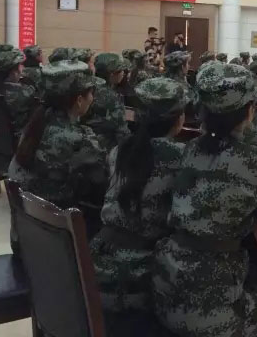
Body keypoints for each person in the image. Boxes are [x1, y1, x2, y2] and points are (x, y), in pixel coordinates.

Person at [153, 63, 257, 337]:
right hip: (210, 310)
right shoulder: (253, 160)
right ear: (249, 112)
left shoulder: (189, 149)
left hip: (166, 290)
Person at [90, 77, 189, 327]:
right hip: (139, 280)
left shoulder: (119, 150)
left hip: (96, 269)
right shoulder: (182, 158)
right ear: (179, 119)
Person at [9, 60, 105, 211]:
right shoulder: (81, 139)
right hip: (61, 216)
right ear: (79, 100)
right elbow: (102, 180)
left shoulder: (33, 126)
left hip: (29, 215)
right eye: (91, 93)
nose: (92, 99)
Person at [81, 53, 131, 152]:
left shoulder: (87, 88)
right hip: (105, 149)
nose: (123, 73)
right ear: (111, 74)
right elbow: (122, 132)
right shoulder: (111, 97)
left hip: (86, 145)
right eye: (120, 71)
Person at [0, 49, 37, 139]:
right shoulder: (26, 92)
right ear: (13, 72)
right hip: (17, 141)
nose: (21, 70)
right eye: (20, 66)